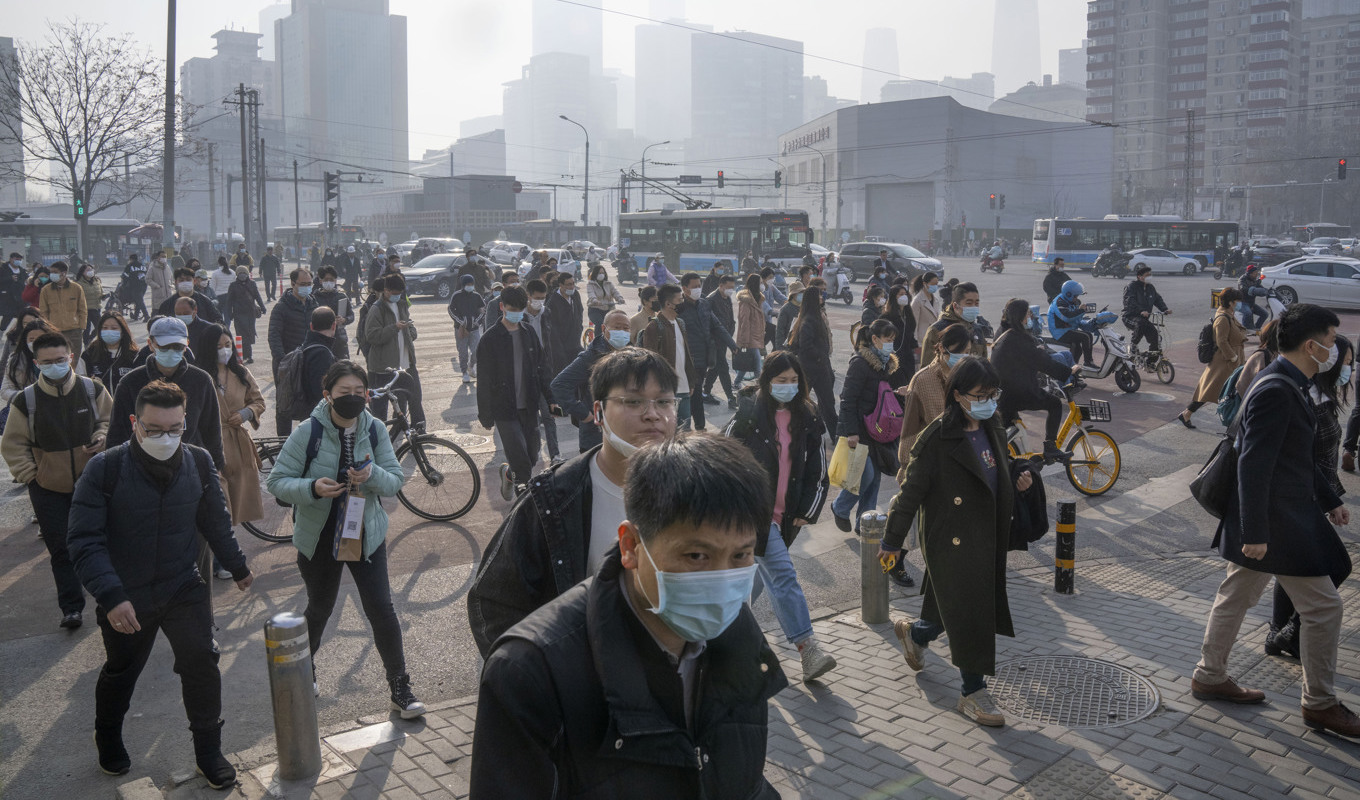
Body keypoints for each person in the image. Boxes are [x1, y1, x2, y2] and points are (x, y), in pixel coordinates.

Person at [469, 433, 787, 799]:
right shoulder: (532, 673)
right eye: (696, 556)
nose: (719, 581)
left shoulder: (736, 633)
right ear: (630, 546)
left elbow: (745, 782)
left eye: (741, 556)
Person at [67, 380, 254, 786]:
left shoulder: (199, 461)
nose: (165, 437)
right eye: (154, 429)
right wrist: (112, 597)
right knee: (122, 669)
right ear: (135, 423)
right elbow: (84, 539)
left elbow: (215, 520)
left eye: (174, 429)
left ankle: (209, 751)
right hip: (126, 593)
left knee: (201, 662)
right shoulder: (106, 468)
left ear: (184, 424)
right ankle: (109, 735)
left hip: (182, 585)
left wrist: (237, 565)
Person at [1190, 304, 1360, 737]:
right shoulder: (1277, 389)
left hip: (1274, 519)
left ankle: (1210, 676)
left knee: (1235, 595)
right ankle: (1319, 703)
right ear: (1311, 345)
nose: (1336, 353)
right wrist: (1256, 534)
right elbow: (1254, 464)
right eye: (1331, 342)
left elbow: (1295, 456)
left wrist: (1329, 498)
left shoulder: (1290, 381)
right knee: (1324, 607)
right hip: (1275, 524)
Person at [470, 348, 678, 654]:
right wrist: (539, 682)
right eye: (633, 401)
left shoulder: (698, 488)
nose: (653, 414)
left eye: (664, 402)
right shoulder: (551, 498)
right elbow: (493, 603)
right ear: (598, 412)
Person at [266, 361, 424, 717]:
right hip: (320, 536)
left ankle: (400, 686)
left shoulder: (376, 429)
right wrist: (312, 488)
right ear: (327, 396)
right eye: (344, 393)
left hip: (364, 532)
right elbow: (276, 482)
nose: (353, 399)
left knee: (381, 609)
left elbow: (395, 480)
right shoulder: (308, 432)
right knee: (320, 608)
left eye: (359, 393)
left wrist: (372, 475)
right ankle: (305, 670)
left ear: (367, 395)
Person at [882, 356, 1028, 728]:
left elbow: (996, 466)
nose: (989, 400)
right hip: (952, 538)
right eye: (981, 394)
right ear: (958, 395)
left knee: (953, 607)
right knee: (972, 611)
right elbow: (909, 493)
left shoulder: (993, 423)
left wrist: (1021, 473)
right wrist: (892, 542)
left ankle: (915, 633)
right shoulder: (937, 438)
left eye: (994, 393)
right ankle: (971, 692)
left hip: (988, 532)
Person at [724, 352, 835, 682]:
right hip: (753, 512)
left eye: (793, 380)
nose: (788, 386)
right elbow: (723, 458)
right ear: (766, 381)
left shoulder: (808, 417)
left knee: (751, 582)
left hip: (786, 514)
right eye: (780, 380)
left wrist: (809, 510)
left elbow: (818, 468)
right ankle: (808, 648)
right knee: (784, 575)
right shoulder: (748, 413)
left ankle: (723, 639)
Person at [0, 331, 111, 629]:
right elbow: (12, 444)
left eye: (60, 360)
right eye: (47, 362)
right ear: (37, 363)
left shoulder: (92, 389)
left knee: (102, 542)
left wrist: (102, 437)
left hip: (94, 483)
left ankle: (109, 600)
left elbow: (108, 421)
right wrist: (33, 476)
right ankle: (72, 607)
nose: (55, 365)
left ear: (71, 357)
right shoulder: (27, 400)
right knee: (61, 548)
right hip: (48, 488)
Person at [1265, 335, 1353, 659]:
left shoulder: (1321, 394)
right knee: (1333, 568)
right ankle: (1290, 633)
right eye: (1346, 361)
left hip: (1313, 493)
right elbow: (1286, 458)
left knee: (1296, 570)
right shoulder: (1297, 392)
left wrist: (1332, 499)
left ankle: (1283, 633)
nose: (1349, 368)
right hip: (1296, 498)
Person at [475, 285, 561, 500]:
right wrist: (484, 413)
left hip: (529, 405)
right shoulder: (489, 339)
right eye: (513, 308)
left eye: (521, 309)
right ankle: (523, 501)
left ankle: (508, 474)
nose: (517, 313)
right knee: (520, 459)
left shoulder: (528, 332)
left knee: (532, 455)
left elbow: (542, 369)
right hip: (504, 408)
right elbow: (483, 380)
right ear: (502, 307)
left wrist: (550, 399)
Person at [194, 325, 265, 570]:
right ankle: (221, 559)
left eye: (227, 345)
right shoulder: (199, 376)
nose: (224, 351)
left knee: (234, 501)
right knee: (217, 502)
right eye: (218, 346)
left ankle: (224, 557)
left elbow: (258, 401)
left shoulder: (241, 372)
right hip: (210, 444)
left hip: (237, 442)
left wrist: (245, 413)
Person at [830, 319, 910, 533]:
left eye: (893, 340)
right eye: (887, 339)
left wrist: (897, 393)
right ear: (874, 339)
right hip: (859, 428)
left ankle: (865, 522)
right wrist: (851, 432)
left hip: (876, 428)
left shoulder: (884, 364)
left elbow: (877, 394)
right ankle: (839, 507)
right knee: (865, 475)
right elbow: (847, 399)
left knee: (874, 478)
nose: (891, 345)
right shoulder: (860, 363)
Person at [992, 299, 1080, 463]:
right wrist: (1069, 370)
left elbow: (1024, 355)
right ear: (1020, 317)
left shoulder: (1003, 332)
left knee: (1004, 431)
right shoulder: (1018, 338)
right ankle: (1050, 447)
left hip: (1003, 392)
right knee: (1054, 404)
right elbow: (1042, 362)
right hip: (1019, 391)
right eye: (1027, 315)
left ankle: (1002, 459)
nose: (1029, 319)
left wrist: (1034, 351)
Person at [550, 309, 634, 453]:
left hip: (626, 430)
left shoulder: (633, 354)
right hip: (596, 435)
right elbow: (559, 384)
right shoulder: (590, 357)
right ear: (603, 328)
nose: (622, 331)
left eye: (626, 328)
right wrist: (584, 414)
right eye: (617, 327)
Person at [673, 272, 737, 431]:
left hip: (704, 357)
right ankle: (695, 427)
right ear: (684, 288)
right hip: (687, 358)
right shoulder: (678, 308)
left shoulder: (704, 304)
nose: (697, 289)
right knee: (692, 393)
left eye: (699, 286)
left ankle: (695, 427)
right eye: (694, 286)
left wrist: (732, 344)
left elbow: (717, 326)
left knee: (696, 391)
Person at [1179, 288, 1247, 428]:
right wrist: (1233, 357)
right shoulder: (1223, 318)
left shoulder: (1229, 314)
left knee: (1213, 390)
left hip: (1231, 360)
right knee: (1214, 390)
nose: (1239, 304)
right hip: (1225, 362)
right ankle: (1235, 422)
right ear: (1230, 302)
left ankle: (1187, 413)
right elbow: (1221, 341)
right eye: (1237, 301)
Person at [641, 283, 700, 431]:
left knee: (685, 430)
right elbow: (650, 362)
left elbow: (686, 354)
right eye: (680, 300)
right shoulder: (654, 327)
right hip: (666, 390)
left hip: (685, 387)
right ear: (668, 304)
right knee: (666, 431)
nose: (683, 303)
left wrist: (691, 381)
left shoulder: (680, 323)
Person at [269, 268, 318, 436]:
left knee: (309, 406)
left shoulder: (314, 305)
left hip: (308, 364)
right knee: (285, 406)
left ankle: (305, 443)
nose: (306, 287)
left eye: (309, 284)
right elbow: (274, 336)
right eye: (302, 284)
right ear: (293, 284)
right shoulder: (281, 308)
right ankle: (283, 445)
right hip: (287, 366)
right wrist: (284, 361)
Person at [787, 284, 838, 436]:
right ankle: (793, 431)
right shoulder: (808, 320)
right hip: (812, 368)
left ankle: (834, 434)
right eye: (819, 296)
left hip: (819, 366)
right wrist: (821, 356)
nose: (822, 298)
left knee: (826, 403)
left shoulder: (816, 316)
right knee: (808, 402)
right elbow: (805, 346)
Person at [920, 281, 988, 367]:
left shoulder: (977, 330)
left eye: (976, 303)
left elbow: (984, 366)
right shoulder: (936, 330)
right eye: (969, 303)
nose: (974, 307)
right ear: (955, 306)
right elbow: (927, 368)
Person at [703, 273, 740, 410]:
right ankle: (731, 397)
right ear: (721, 285)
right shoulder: (711, 300)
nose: (731, 289)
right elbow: (709, 324)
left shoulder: (727, 298)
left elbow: (730, 319)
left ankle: (706, 392)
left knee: (716, 368)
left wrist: (730, 337)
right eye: (729, 287)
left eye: (733, 287)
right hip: (714, 342)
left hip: (724, 340)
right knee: (723, 368)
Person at [38, 261, 88, 360]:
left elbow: (82, 309)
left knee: (73, 359)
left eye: (55, 272)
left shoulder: (76, 288)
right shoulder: (46, 290)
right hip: (54, 331)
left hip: (74, 331)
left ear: (63, 273)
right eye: (51, 272)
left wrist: (81, 327)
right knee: (57, 359)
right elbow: (43, 312)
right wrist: (46, 329)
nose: (52, 274)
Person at [81, 312, 140, 396]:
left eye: (114, 328)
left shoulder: (135, 355)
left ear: (123, 331)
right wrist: (92, 383)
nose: (109, 331)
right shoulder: (89, 354)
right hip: (100, 405)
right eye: (105, 328)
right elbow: (80, 382)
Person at [1, 319, 58, 403]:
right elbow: (5, 390)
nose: (36, 342)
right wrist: (27, 397)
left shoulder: (62, 357)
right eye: (32, 339)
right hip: (26, 408)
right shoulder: (16, 359)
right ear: (25, 340)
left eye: (41, 338)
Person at [544, 272, 585, 379]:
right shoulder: (553, 301)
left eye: (572, 283)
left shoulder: (575, 295)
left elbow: (579, 311)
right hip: (561, 347)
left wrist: (579, 327)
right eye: (568, 284)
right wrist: (559, 349)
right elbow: (553, 329)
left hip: (575, 342)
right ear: (560, 285)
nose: (571, 287)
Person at [1122, 265, 1171, 352]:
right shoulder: (1132, 286)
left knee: (1155, 336)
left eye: (1150, 275)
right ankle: (1133, 344)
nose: (1149, 277)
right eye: (1147, 275)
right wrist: (1141, 311)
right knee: (1140, 324)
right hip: (1130, 317)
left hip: (1144, 319)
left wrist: (1165, 309)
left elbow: (1157, 299)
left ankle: (1150, 362)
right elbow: (1130, 301)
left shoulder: (1150, 288)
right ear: (1139, 277)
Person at [1048, 280, 1095, 368]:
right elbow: (1068, 317)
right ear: (1068, 294)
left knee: (1078, 350)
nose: (1077, 298)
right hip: (1060, 332)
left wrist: (1091, 324)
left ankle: (1073, 370)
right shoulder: (1059, 302)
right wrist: (1081, 310)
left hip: (1067, 329)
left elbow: (1076, 319)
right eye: (1075, 296)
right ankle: (1088, 362)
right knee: (1087, 336)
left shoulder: (1069, 301)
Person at [225, 267, 266, 363]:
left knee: (250, 334)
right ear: (237, 274)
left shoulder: (252, 284)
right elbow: (229, 301)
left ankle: (248, 355)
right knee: (241, 334)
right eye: (240, 273)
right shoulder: (233, 285)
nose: (242, 274)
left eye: (244, 272)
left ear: (247, 274)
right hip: (238, 314)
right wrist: (229, 314)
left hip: (250, 313)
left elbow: (257, 297)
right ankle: (243, 355)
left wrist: (262, 307)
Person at [312, 265, 354, 360]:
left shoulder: (342, 296)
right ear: (320, 280)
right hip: (320, 340)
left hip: (340, 340)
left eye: (332, 279)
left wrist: (344, 320)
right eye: (326, 279)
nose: (329, 282)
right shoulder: (314, 298)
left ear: (335, 281)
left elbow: (351, 315)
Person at [734, 273, 766, 388]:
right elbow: (744, 322)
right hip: (749, 339)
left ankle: (736, 383)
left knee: (746, 363)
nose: (763, 285)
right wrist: (744, 342)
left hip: (756, 337)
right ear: (755, 284)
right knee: (757, 364)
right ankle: (761, 387)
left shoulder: (758, 298)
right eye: (760, 283)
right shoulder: (746, 301)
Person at [157, 268, 222, 324]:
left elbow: (218, 320)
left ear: (194, 281)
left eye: (188, 280)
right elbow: (159, 325)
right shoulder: (167, 305)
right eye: (181, 280)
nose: (185, 282)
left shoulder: (205, 301)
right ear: (176, 282)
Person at [883, 284, 917, 373]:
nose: (904, 296)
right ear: (894, 297)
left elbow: (910, 334)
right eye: (901, 294)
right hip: (894, 357)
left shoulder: (908, 315)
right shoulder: (886, 317)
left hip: (908, 356)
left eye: (905, 294)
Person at [585, 262, 625, 334]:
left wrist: (620, 298)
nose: (601, 275)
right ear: (595, 274)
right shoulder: (590, 284)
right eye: (599, 273)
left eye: (603, 273)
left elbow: (615, 292)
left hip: (608, 309)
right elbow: (591, 294)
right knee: (601, 324)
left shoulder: (609, 283)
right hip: (595, 310)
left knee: (615, 324)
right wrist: (595, 300)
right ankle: (598, 342)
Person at [910, 274, 941, 357]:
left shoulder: (936, 300)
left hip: (935, 340)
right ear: (925, 284)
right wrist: (915, 342)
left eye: (936, 284)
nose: (935, 286)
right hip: (922, 341)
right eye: (933, 284)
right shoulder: (917, 301)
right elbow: (913, 324)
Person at [76, 262, 103, 343]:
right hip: (85, 309)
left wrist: (104, 295)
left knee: (100, 327)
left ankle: (90, 338)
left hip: (96, 308)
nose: (90, 271)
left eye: (91, 269)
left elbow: (100, 293)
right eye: (88, 270)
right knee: (86, 329)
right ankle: (86, 343)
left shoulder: (97, 281)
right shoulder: (78, 284)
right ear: (82, 272)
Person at [0, 252, 27, 331]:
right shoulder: (3, 269)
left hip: (20, 298)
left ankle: (18, 334)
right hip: (7, 298)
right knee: (8, 316)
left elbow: (25, 281)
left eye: (20, 260)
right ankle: (2, 332)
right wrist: (9, 278)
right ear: (11, 259)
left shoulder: (22, 270)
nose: (18, 261)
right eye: (16, 259)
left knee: (21, 317)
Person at [117, 255, 149, 321]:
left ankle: (146, 315)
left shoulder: (129, 266)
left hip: (134, 286)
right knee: (138, 300)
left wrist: (123, 285)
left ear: (131, 259)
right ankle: (136, 316)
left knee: (140, 301)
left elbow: (125, 277)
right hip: (144, 286)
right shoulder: (143, 266)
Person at [1238, 266, 1269, 331]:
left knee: (1265, 314)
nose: (1257, 274)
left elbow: (1260, 287)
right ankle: (1245, 329)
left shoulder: (1254, 280)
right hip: (1242, 302)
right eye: (1255, 273)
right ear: (1250, 273)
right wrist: (1253, 290)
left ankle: (1256, 328)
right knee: (1248, 313)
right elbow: (1242, 288)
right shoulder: (1243, 279)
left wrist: (1267, 291)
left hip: (1251, 303)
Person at [775, 280, 803, 348]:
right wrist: (780, 349)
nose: (802, 294)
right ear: (793, 294)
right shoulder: (786, 309)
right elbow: (780, 331)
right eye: (800, 292)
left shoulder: (804, 307)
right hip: (788, 347)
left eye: (803, 292)